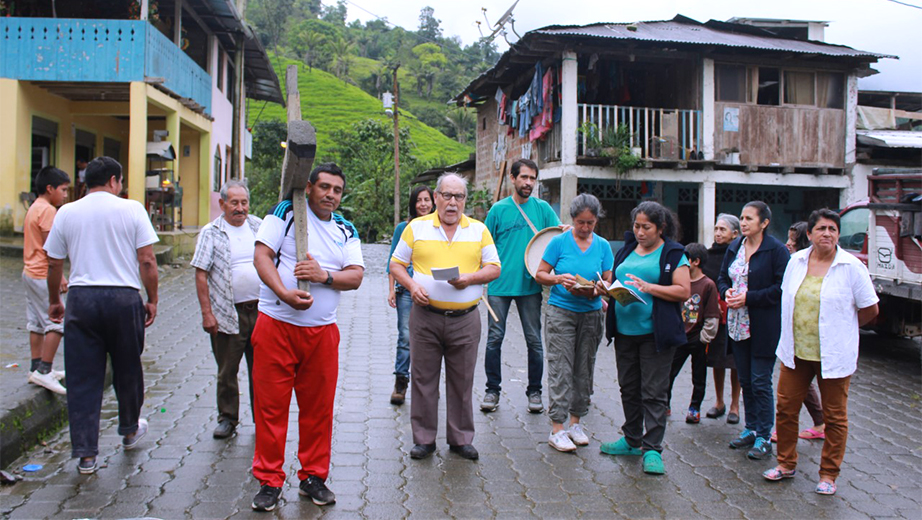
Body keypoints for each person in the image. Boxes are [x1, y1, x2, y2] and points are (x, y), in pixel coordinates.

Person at [249, 163, 364, 512]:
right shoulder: (285, 212)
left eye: (337, 190)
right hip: (275, 326)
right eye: (324, 187)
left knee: (318, 409)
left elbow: (356, 275)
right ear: (310, 187)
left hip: (322, 333)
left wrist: (323, 276)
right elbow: (261, 256)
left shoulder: (346, 228)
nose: (330, 195)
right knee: (271, 408)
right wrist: (283, 292)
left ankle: (313, 477)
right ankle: (269, 480)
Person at [44, 156, 159, 475]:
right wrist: (152, 299)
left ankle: (86, 455)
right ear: (113, 181)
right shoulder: (132, 209)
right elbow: (147, 260)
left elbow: (54, 263)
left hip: (82, 299)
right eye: (120, 181)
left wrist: (55, 300)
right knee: (127, 368)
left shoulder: (66, 212)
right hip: (124, 298)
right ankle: (129, 430)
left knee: (82, 377)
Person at [763, 209, 878, 496]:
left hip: (834, 354)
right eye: (821, 228)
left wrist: (844, 327)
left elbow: (870, 309)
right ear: (810, 234)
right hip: (796, 352)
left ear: (838, 235)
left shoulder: (851, 267)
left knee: (835, 417)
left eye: (833, 229)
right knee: (786, 409)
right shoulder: (795, 262)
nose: (827, 233)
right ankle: (786, 463)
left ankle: (828, 473)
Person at [390, 173, 500, 462]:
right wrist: (412, 286)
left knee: (462, 380)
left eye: (459, 196)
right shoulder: (417, 227)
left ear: (465, 200)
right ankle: (424, 440)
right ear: (436, 197)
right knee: (424, 379)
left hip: (465, 319)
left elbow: (494, 267)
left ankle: (461, 439)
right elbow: (396, 264)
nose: (453, 202)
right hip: (425, 317)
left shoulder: (478, 230)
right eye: (447, 196)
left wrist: (470, 278)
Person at [602, 201, 690, 475]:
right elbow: (617, 279)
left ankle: (652, 448)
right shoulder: (628, 248)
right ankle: (631, 439)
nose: (639, 232)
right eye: (636, 226)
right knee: (629, 387)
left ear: (661, 227)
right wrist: (606, 289)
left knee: (653, 392)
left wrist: (650, 287)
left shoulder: (674, 253)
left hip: (655, 334)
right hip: (625, 332)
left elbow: (683, 291)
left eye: (646, 227)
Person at [482, 158, 561, 414]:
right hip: (499, 286)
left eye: (532, 179)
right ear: (513, 179)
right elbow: (484, 247)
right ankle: (492, 390)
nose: (528, 183)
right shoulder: (498, 210)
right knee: (494, 339)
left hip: (530, 286)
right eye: (524, 177)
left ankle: (535, 392)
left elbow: (556, 239)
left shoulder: (543, 209)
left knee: (534, 341)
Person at [534, 193, 611, 452]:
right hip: (561, 312)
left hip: (591, 313)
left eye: (590, 223)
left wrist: (599, 288)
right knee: (561, 367)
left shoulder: (603, 246)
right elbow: (540, 274)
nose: (585, 228)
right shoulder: (559, 242)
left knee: (584, 367)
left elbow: (608, 280)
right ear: (572, 219)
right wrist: (559, 279)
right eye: (580, 223)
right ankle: (557, 427)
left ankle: (576, 423)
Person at [718, 201, 790, 461]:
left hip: (763, 327)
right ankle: (750, 428)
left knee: (761, 381)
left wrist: (748, 298)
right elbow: (723, 277)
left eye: (749, 218)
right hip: (737, 325)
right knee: (746, 380)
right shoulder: (735, 246)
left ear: (764, 223)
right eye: (742, 217)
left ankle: (763, 435)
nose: (744, 222)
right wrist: (726, 291)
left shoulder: (777, 251)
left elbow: (781, 289)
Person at [191, 180, 261, 439]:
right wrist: (207, 313)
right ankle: (228, 419)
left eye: (244, 202)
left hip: (261, 311)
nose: (240, 208)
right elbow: (201, 274)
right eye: (234, 203)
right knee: (227, 371)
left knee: (262, 370)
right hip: (226, 313)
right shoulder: (211, 232)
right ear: (222, 204)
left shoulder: (258, 226)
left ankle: (261, 418)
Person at [771, 222, 825, 443]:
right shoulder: (794, 263)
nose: (788, 244)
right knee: (798, 387)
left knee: (804, 385)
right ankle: (817, 423)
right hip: (793, 337)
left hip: (815, 342)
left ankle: (821, 422)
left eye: (793, 240)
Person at [22, 166, 70, 395]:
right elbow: (52, 250)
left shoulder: (34, 208)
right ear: (49, 188)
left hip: (29, 272)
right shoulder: (48, 211)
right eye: (63, 189)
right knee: (57, 321)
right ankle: (45, 370)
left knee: (36, 322)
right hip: (42, 273)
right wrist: (58, 276)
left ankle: (36, 367)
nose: (66, 195)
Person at [386, 185, 434, 405]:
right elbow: (393, 261)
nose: (423, 204)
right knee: (405, 336)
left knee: (430, 339)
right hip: (406, 290)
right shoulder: (404, 228)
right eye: (419, 200)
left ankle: (425, 385)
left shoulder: (439, 227)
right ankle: (401, 381)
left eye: (427, 200)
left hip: (433, 292)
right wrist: (391, 290)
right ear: (413, 204)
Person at [667, 243, 720, 424]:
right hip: (679, 336)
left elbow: (713, 314)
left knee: (698, 376)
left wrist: (704, 338)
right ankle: (664, 404)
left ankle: (695, 407)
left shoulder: (708, 285)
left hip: (697, 338)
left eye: (685, 259)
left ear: (695, 262)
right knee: (669, 372)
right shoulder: (678, 282)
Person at [703, 214, 741, 424]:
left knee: (735, 362)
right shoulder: (708, 256)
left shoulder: (740, 256)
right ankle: (719, 401)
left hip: (735, 314)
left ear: (735, 234)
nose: (718, 233)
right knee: (717, 359)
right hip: (715, 315)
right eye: (716, 229)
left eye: (723, 230)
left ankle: (735, 404)